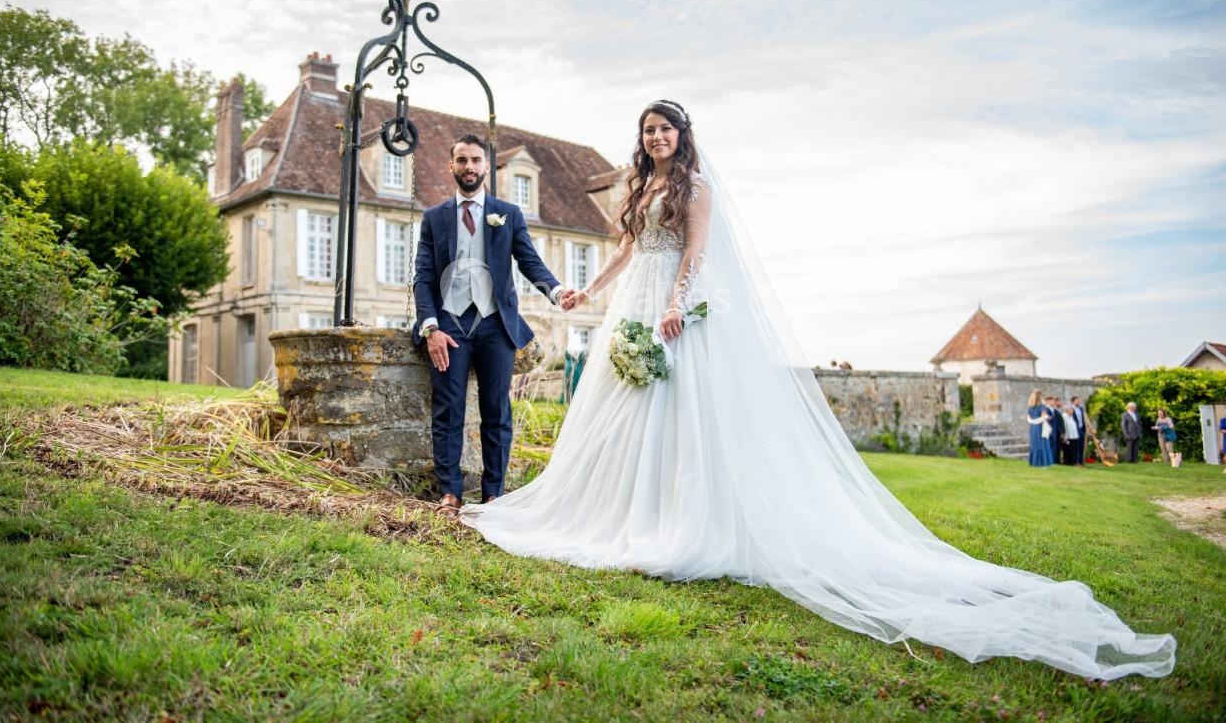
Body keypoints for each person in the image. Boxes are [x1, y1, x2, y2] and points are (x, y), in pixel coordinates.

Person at [458, 100, 1175, 680]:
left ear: (683, 136)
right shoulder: (638, 184)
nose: (657, 137)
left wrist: (680, 301)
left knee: (683, 414)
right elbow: (624, 251)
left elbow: (698, 252)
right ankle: (617, 510)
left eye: (666, 128)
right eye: (648, 130)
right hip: (635, 300)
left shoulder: (696, 188)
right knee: (622, 413)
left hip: (675, 307)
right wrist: (592, 291)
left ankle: (682, 516)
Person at [412, 134, 575, 515]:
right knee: (447, 409)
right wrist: (431, 327)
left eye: (475, 161)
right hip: (449, 326)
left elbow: (529, 261)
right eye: (462, 160)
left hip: (495, 324)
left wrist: (556, 291)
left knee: (497, 410)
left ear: (487, 167)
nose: (469, 167)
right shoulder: (434, 218)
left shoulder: (508, 213)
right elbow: (422, 276)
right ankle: (450, 493)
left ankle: (493, 494)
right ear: (451, 166)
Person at [1026, 389, 1053, 467]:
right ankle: (1042, 462)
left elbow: (1029, 418)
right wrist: (1048, 417)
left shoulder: (1030, 407)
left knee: (1034, 444)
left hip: (1033, 427)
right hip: (1040, 427)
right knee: (1042, 444)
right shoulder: (1042, 406)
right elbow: (1043, 417)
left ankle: (1034, 462)